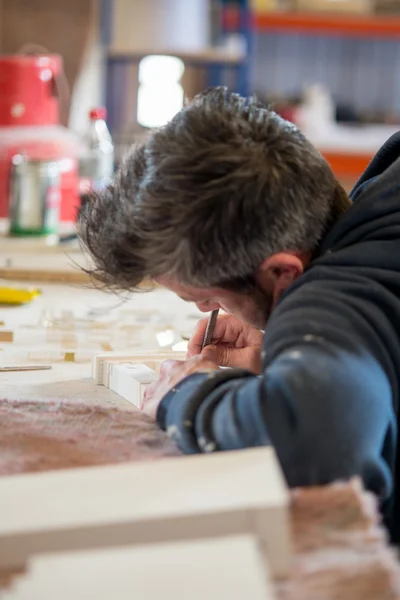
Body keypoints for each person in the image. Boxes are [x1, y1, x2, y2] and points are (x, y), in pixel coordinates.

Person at [78, 87, 400, 542]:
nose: (210, 312)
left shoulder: (327, 297)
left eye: (206, 300)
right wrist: (294, 350)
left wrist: (188, 395)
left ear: (283, 272)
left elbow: (321, 444)